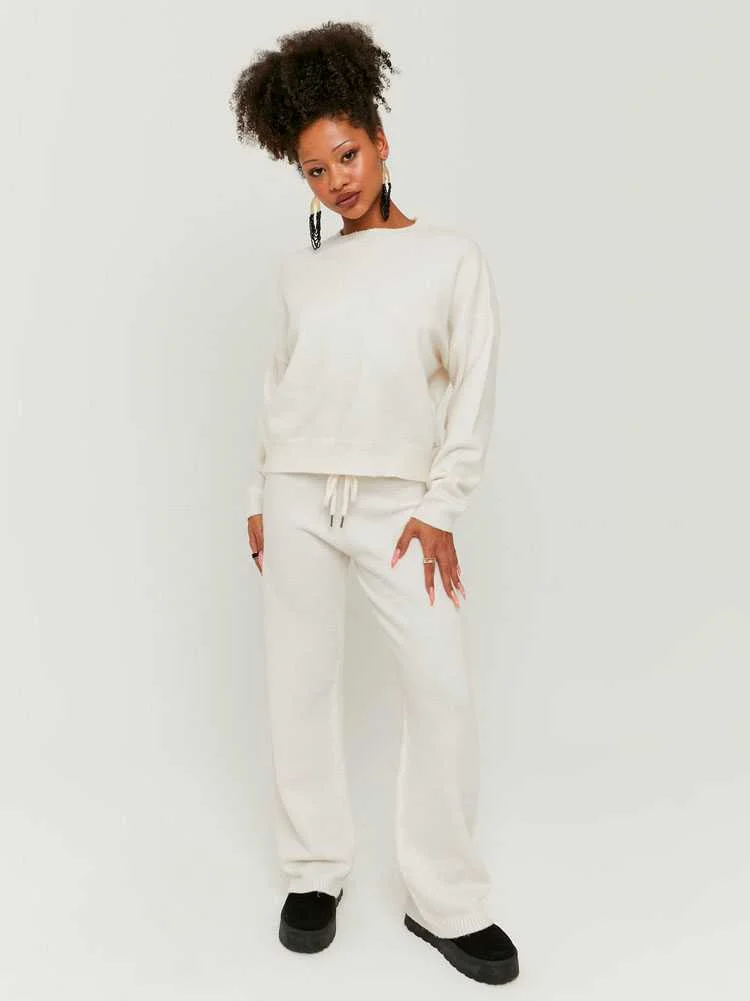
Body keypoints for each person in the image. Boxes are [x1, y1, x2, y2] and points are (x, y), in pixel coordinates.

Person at [230, 20, 519, 986]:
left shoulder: (449, 256)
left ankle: (445, 899)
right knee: (298, 683)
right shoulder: (301, 272)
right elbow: (278, 387)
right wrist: (258, 492)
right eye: (315, 170)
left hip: (401, 506)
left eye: (347, 155)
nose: (336, 180)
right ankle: (315, 870)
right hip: (296, 494)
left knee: (442, 691)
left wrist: (442, 505)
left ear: (381, 141)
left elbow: (473, 385)